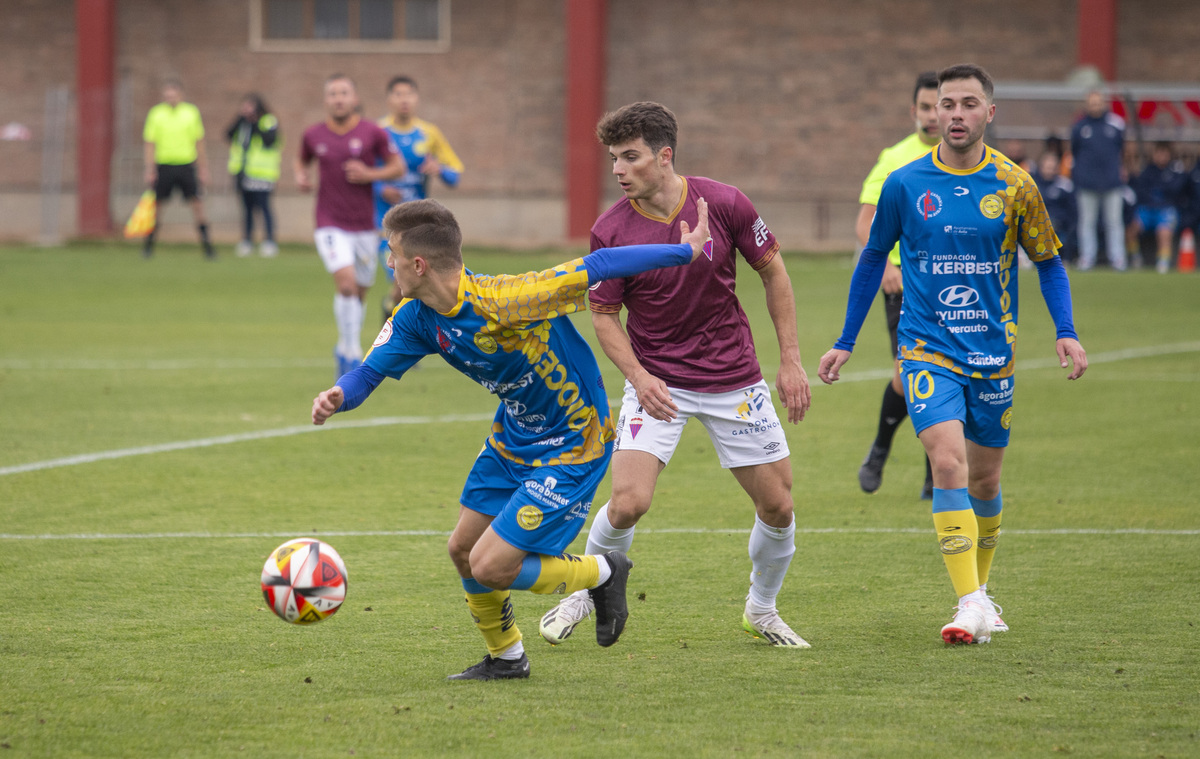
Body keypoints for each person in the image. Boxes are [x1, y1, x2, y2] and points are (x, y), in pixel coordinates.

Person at [311, 197, 714, 680]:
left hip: (573, 444)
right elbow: (368, 373)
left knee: (490, 566)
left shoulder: (507, 299)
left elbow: (600, 264)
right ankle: (507, 658)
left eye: (390, 253)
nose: (386, 264)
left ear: (418, 264)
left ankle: (604, 572)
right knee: (462, 549)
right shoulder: (416, 316)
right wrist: (339, 394)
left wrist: (683, 252)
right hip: (513, 439)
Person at [817, 64, 1088, 646]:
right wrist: (845, 340)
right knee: (947, 463)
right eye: (947, 104)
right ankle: (968, 601)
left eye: (969, 103)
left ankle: (981, 595)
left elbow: (1047, 260)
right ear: (934, 113)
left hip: (993, 353)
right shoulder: (905, 183)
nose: (956, 113)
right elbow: (871, 260)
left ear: (990, 113)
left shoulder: (1016, 185)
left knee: (986, 481)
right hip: (925, 347)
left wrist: (1065, 329)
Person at [537, 101, 814, 649]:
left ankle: (761, 610)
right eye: (614, 158)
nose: (618, 169)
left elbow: (774, 273)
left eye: (630, 157)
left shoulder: (726, 202)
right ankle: (584, 588)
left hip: (733, 378)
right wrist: (639, 377)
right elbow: (602, 315)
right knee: (628, 502)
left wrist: (790, 359)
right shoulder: (611, 229)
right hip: (657, 381)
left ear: (664, 156)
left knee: (778, 506)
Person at [853, 71, 940, 500]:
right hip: (905, 286)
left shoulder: (974, 162)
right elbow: (866, 220)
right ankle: (879, 452)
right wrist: (888, 263)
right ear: (914, 111)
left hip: (955, 286)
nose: (932, 116)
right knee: (909, 377)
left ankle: (934, 476)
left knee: (950, 375)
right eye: (924, 108)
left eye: (939, 107)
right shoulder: (895, 158)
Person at [296, 74, 404, 378]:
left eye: (344, 93)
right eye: (333, 93)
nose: (339, 98)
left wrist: (370, 174)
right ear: (326, 100)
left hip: (364, 227)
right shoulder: (313, 135)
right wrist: (301, 177)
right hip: (328, 223)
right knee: (344, 284)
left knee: (359, 291)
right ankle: (351, 351)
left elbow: (398, 166)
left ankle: (345, 348)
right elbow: (300, 160)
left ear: (355, 98)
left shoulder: (373, 133)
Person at [374, 75, 465, 321]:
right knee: (403, 279)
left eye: (409, 94)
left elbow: (455, 174)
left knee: (414, 283)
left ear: (417, 99)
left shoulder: (429, 133)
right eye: (398, 94)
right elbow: (360, 174)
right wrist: (380, 188)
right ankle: (397, 322)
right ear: (389, 99)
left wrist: (440, 169)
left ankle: (397, 321)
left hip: (417, 224)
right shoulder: (378, 132)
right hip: (383, 222)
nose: (404, 100)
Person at [141, 78, 214, 259]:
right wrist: (150, 169)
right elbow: (150, 143)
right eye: (167, 95)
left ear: (180, 95)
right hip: (164, 165)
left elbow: (199, 141)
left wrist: (203, 168)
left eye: (173, 95)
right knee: (157, 206)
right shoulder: (156, 114)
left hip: (186, 165)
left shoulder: (191, 113)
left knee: (197, 204)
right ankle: (148, 247)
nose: (170, 98)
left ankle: (207, 247)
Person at [1071, 89, 1127, 270]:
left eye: (1098, 103)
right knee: (1087, 222)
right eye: (1091, 103)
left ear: (1104, 103)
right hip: (1087, 183)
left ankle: (1118, 258)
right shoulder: (1080, 127)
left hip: (1111, 182)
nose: (1095, 106)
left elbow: (1122, 149)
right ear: (1087, 105)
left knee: (1114, 222)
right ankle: (1087, 257)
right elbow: (1075, 150)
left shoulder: (1116, 124)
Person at [226, 93, 282, 258]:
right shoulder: (242, 124)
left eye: (250, 106)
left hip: (263, 175)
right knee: (247, 209)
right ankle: (247, 241)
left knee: (264, 208)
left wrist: (255, 122)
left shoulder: (268, 121)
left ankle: (269, 241)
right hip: (243, 173)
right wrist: (240, 119)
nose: (247, 110)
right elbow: (228, 134)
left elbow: (270, 141)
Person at [1127, 141, 1188, 273]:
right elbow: (1141, 190)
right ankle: (1135, 258)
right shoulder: (1148, 171)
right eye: (1158, 153)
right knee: (1131, 229)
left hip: (1166, 209)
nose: (1161, 156)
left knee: (1164, 231)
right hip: (1147, 209)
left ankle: (1163, 261)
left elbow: (1176, 191)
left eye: (1164, 153)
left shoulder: (1175, 171)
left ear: (1169, 155)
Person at [1032, 151, 1077, 264]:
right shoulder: (1031, 184)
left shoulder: (1065, 185)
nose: (1049, 170)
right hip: (1035, 226)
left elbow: (1072, 211)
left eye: (1052, 167)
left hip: (1059, 227)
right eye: (1047, 167)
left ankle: (1066, 258)